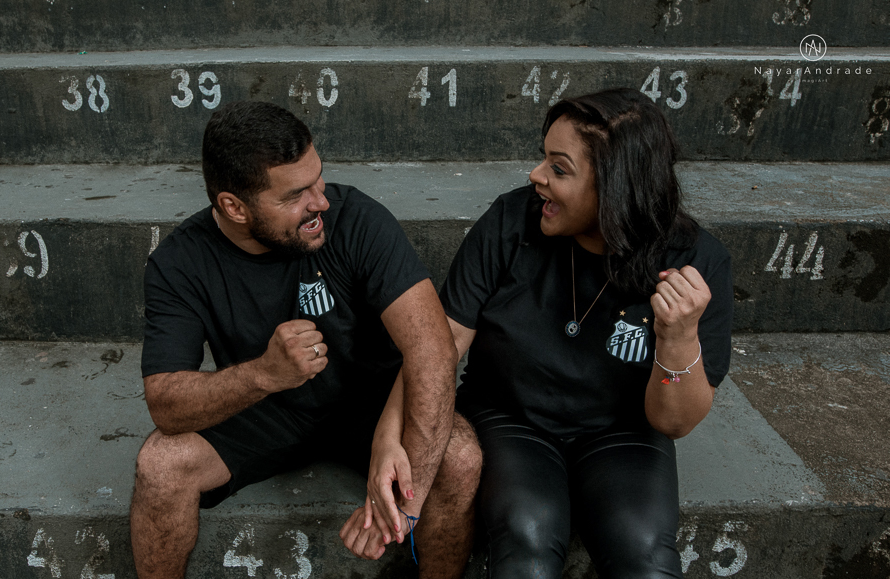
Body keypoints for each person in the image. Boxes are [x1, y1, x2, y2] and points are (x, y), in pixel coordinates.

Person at [130, 101, 481, 579]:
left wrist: (406, 499)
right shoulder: (180, 264)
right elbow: (165, 405)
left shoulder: (355, 218)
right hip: (264, 412)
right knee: (160, 464)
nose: (320, 202)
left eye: (318, 180)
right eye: (295, 194)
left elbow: (434, 349)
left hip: (370, 408)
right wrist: (263, 374)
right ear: (234, 206)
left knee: (459, 455)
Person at [438, 88, 733, 577]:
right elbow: (442, 345)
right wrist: (399, 439)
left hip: (622, 429)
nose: (536, 177)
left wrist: (678, 336)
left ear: (615, 188)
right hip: (512, 415)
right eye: (543, 160)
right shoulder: (512, 224)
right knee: (528, 533)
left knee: (645, 555)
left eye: (559, 168)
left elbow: (674, 422)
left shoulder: (694, 262)